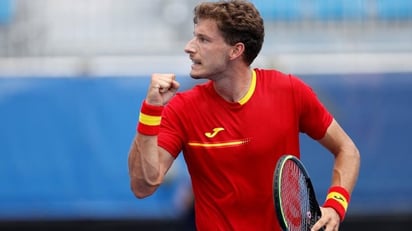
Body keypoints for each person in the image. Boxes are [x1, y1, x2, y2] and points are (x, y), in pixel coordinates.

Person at [128, 0, 360, 230]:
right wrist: (150, 111)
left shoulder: (290, 91)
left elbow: (347, 150)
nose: (189, 47)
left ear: (236, 50)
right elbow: (143, 186)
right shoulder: (182, 108)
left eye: (203, 39)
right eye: (194, 36)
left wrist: (335, 205)